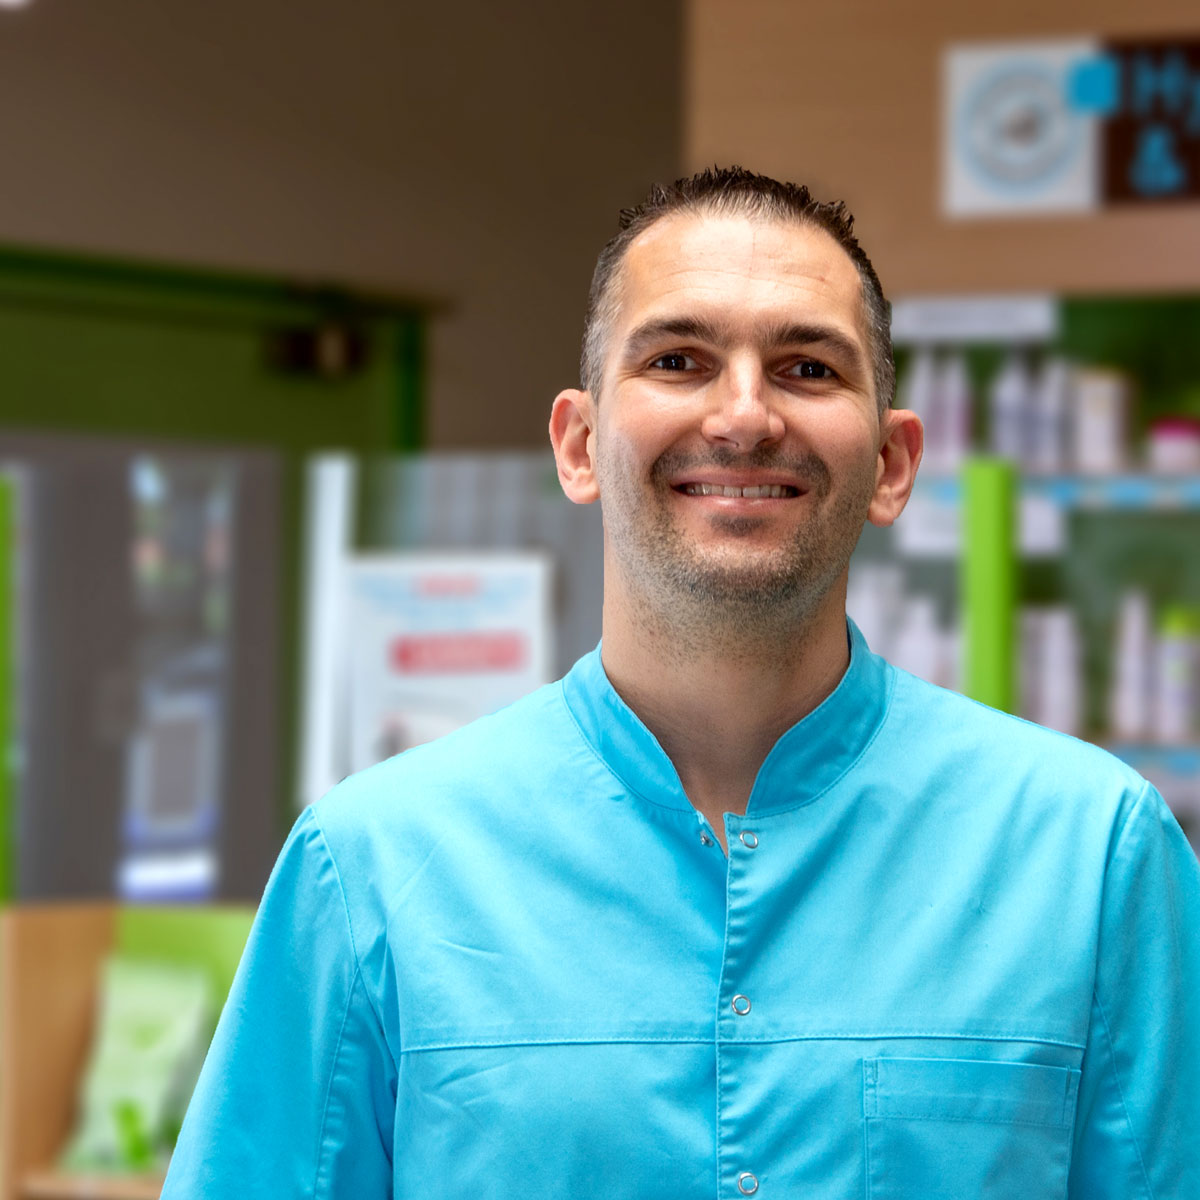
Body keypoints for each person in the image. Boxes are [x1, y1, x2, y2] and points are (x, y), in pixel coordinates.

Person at [161, 167, 1200, 1198]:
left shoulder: (1091, 856)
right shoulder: (372, 866)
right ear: (578, 445)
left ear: (892, 463)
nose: (744, 416)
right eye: (678, 360)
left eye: (807, 368)